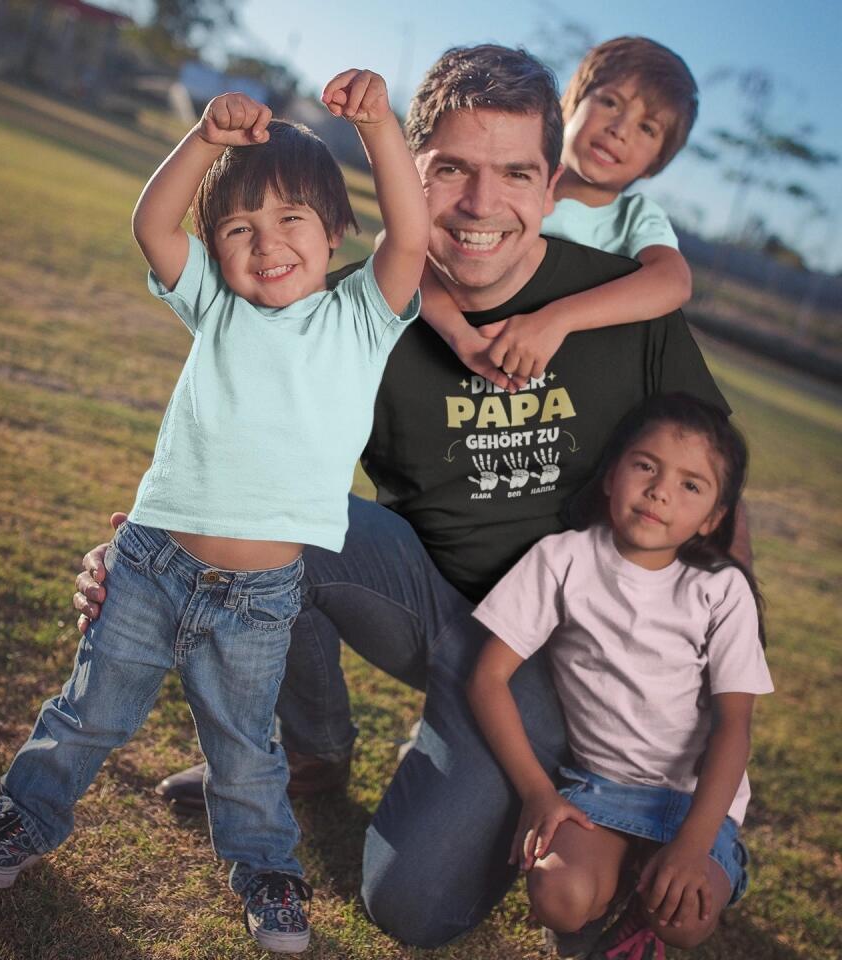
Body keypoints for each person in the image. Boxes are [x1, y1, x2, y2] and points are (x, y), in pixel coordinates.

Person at [74, 44, 750, 949]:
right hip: (425, 597)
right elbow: (235, 452)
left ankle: (546, 800)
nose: (479, 205)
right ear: (406, 173)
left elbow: (717, 498)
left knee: (412, 907)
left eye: (513, 173)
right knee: (290, 527)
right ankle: (310, 748)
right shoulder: (347, 313)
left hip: (549, 660)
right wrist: (141, 552)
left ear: (551, 185)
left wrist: (713, 674)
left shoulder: (622, 307)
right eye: (450, 172)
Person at [0, 68, 426, 955]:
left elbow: (412, 234)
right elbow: (152, 224)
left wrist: (381, 133)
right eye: (240, 228)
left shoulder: (361, 319)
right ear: (216, 246)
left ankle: (267, 875)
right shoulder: (218, 306)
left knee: (245, 752)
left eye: (292, 221)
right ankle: (22, 819)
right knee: (88, 712)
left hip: (259, 597)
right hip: (151, 565)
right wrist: (205, 137)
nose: (267, 243)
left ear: (336, 232)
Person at [468, 394, 772, 958]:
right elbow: (488, 678)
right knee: (559, 899)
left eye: (691, 484)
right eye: (645, 466)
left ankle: (647, 890)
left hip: (691, 802)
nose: (659, 490)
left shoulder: (721, 590)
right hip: (599, 789)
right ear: (612, 475)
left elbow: (735, 726)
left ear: (712, 519)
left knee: (686, 918)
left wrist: (693, 844)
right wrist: (538, 794)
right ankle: (617, 877)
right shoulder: (562, 559)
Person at [420, 36, 697, 390]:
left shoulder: (634, 217)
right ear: (571, 103)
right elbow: (403, 253)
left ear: (656, 163)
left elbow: (673, 282)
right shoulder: (502, 198)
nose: (620, 129)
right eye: (611, 102)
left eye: (647, 128)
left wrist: (556, 320)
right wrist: (459, 335)